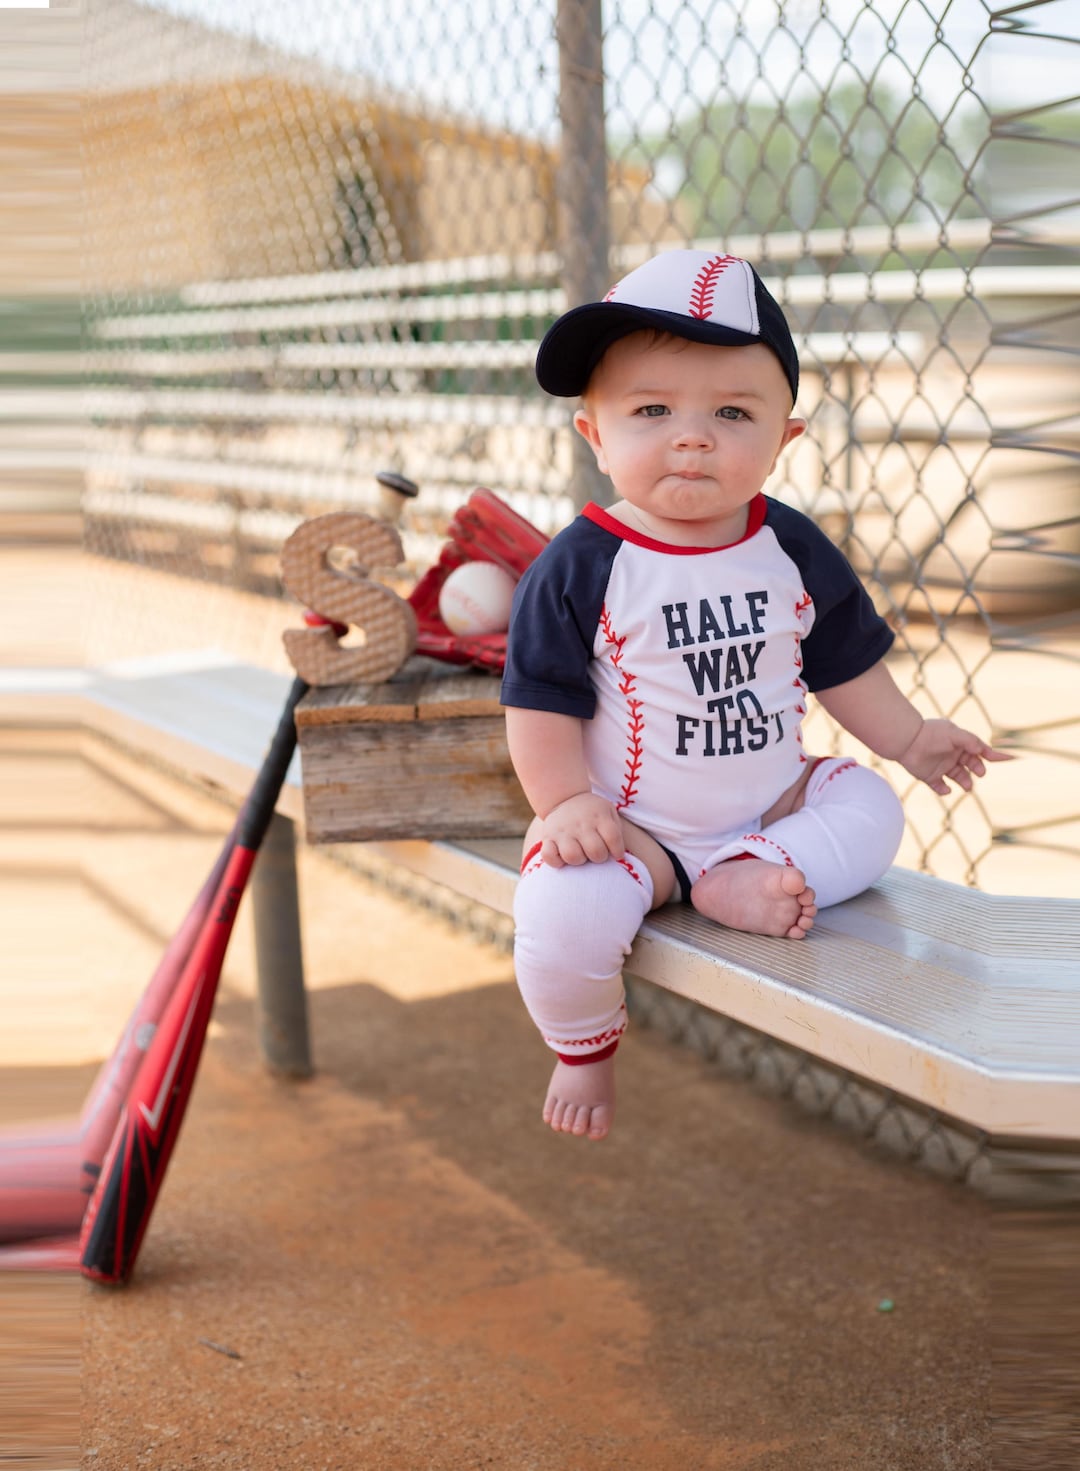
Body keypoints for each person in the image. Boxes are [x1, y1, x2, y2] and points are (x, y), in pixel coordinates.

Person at [500, 249, 1008, 1143]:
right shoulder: (582, 564)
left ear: (785, 439)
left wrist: (910, 737)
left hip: (774, 806)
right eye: (651, 410)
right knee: (559, 912)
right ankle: (583, 1047)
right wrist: (565, 801)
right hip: (635, 831)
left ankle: (746, 873)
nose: (692, 437)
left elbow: (842, 663)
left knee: (872, 808)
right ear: (593, 435)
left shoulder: (790, 546)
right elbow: (539, 701)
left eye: (732, 413)